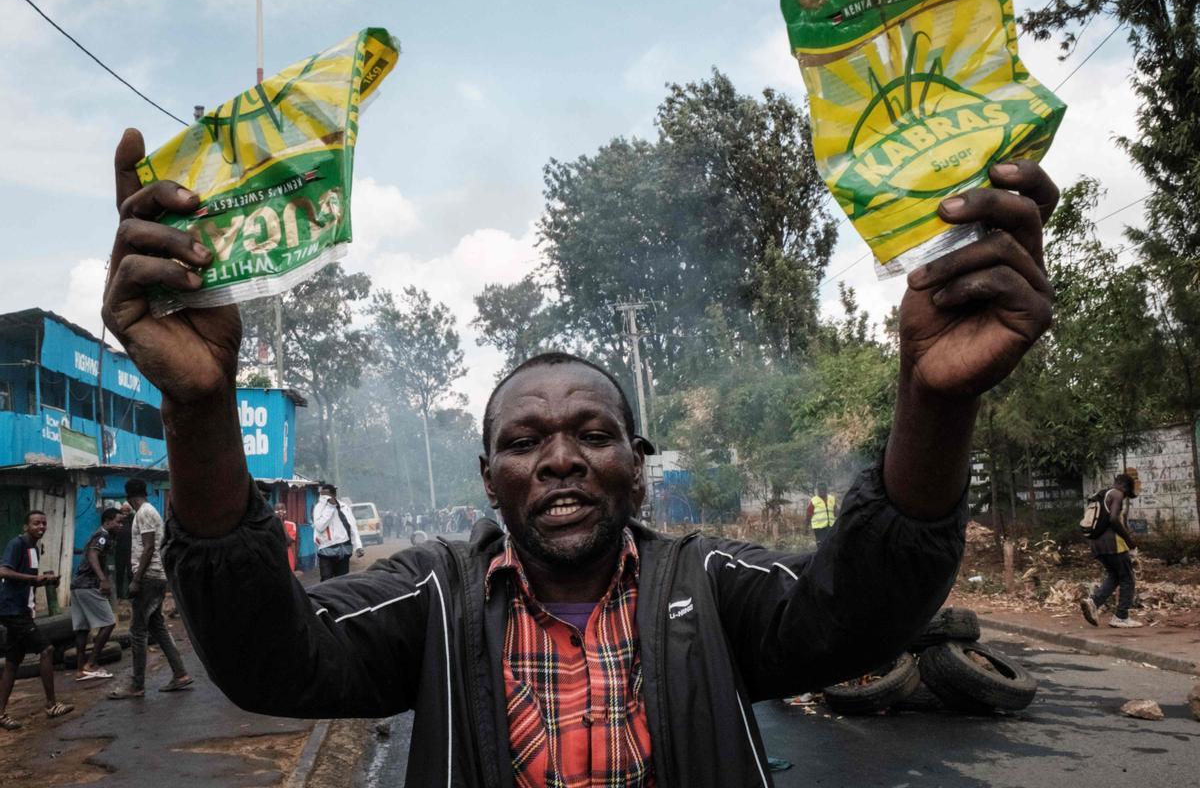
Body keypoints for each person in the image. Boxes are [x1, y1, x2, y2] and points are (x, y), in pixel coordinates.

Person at [101, 125, 1056, 785]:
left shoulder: (708, 585)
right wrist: (201, 408)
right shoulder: (433, 598)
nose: (560, 457)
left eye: (592, 434)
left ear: (635, 466)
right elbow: (269, 658)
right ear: (489, 480)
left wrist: (935, 397)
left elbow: (864, 612)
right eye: (524, 441)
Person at [108, 479, 194, 699]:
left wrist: (136, 580)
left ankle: (137, 685)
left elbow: (148, 548)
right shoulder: (149, 511)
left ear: (129, 497)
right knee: (158, 628)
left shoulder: (144, 513)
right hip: (155, 576)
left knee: (137, 632)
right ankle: (180, 674)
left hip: (148, 578)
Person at [0, 511, 73, 729]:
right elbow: (3, 571)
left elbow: (26, 582)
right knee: (47, 650)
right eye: (35, 523)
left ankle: (1, 713)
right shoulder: (17, 544)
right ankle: (51, 704)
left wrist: (46, 582)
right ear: (26, 526)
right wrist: (34, 578)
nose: (40, 527)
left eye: (43, 523)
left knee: (13, 662)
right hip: (11, 609)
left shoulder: (34, 549)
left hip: (20, 608)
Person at [1080, 474, 1143, 629]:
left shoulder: (1100, 495)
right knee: (1128, 578)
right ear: (1124, 486)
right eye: (1127, 492)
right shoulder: (1117, 493)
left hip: (1096, 544)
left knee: (1115, 575)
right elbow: (1113, 519)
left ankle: (1093, 602)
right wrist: (1130, 543)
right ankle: (1121, 616)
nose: (1125, 496)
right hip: (1112, 543)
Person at [70, 507, 122, 681]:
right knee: (108, 623)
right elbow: (93, 554)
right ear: (108, 521)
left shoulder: (104, 535)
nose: (120, 525)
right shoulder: (103, 535)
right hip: (89, 585)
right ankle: (91, 664)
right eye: (118, 521)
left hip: (78, 586)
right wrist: (102, 579)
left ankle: (80, 669)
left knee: (83, 628)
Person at [312, 484, 364, 581]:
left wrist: (358, 546)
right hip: (326, 550)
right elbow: (320, 526)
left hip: (344, 550)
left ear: (333, 495)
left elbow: (352, 527)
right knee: (326, 580)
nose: (322, 498)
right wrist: (330, 507)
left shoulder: (344, 507)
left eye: (325, 495)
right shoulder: (319, 508)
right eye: (321, 495)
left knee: (342, 581)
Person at [806, 482, 837, 548]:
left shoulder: (832, 499)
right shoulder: (814, 500)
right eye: (820, 490)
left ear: (826, 490)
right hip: (819, 527)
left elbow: (836, 512)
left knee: (830, 544)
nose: (821, 491)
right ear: (817, 490)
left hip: (830, 526)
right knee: (821, 545)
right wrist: (806, 527)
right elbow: (808, 515)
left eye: (823, 490)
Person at [113, 501, 134, 599]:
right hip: (119, 551)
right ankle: (119, 596)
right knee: (119, 574)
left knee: (130, 573)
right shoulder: (118, 520)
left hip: (131, 551)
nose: (125, 512)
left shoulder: (133, 519)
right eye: (123, 510)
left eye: (127, 510)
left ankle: (131, 596)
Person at [276, 503, 300, 573]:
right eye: (277, 510)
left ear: (285, 511)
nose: (280, 512)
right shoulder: (269, 525)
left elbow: (288, 542)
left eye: (282, 509)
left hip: (287, 556)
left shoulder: (291, 524)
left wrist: (281, 522)